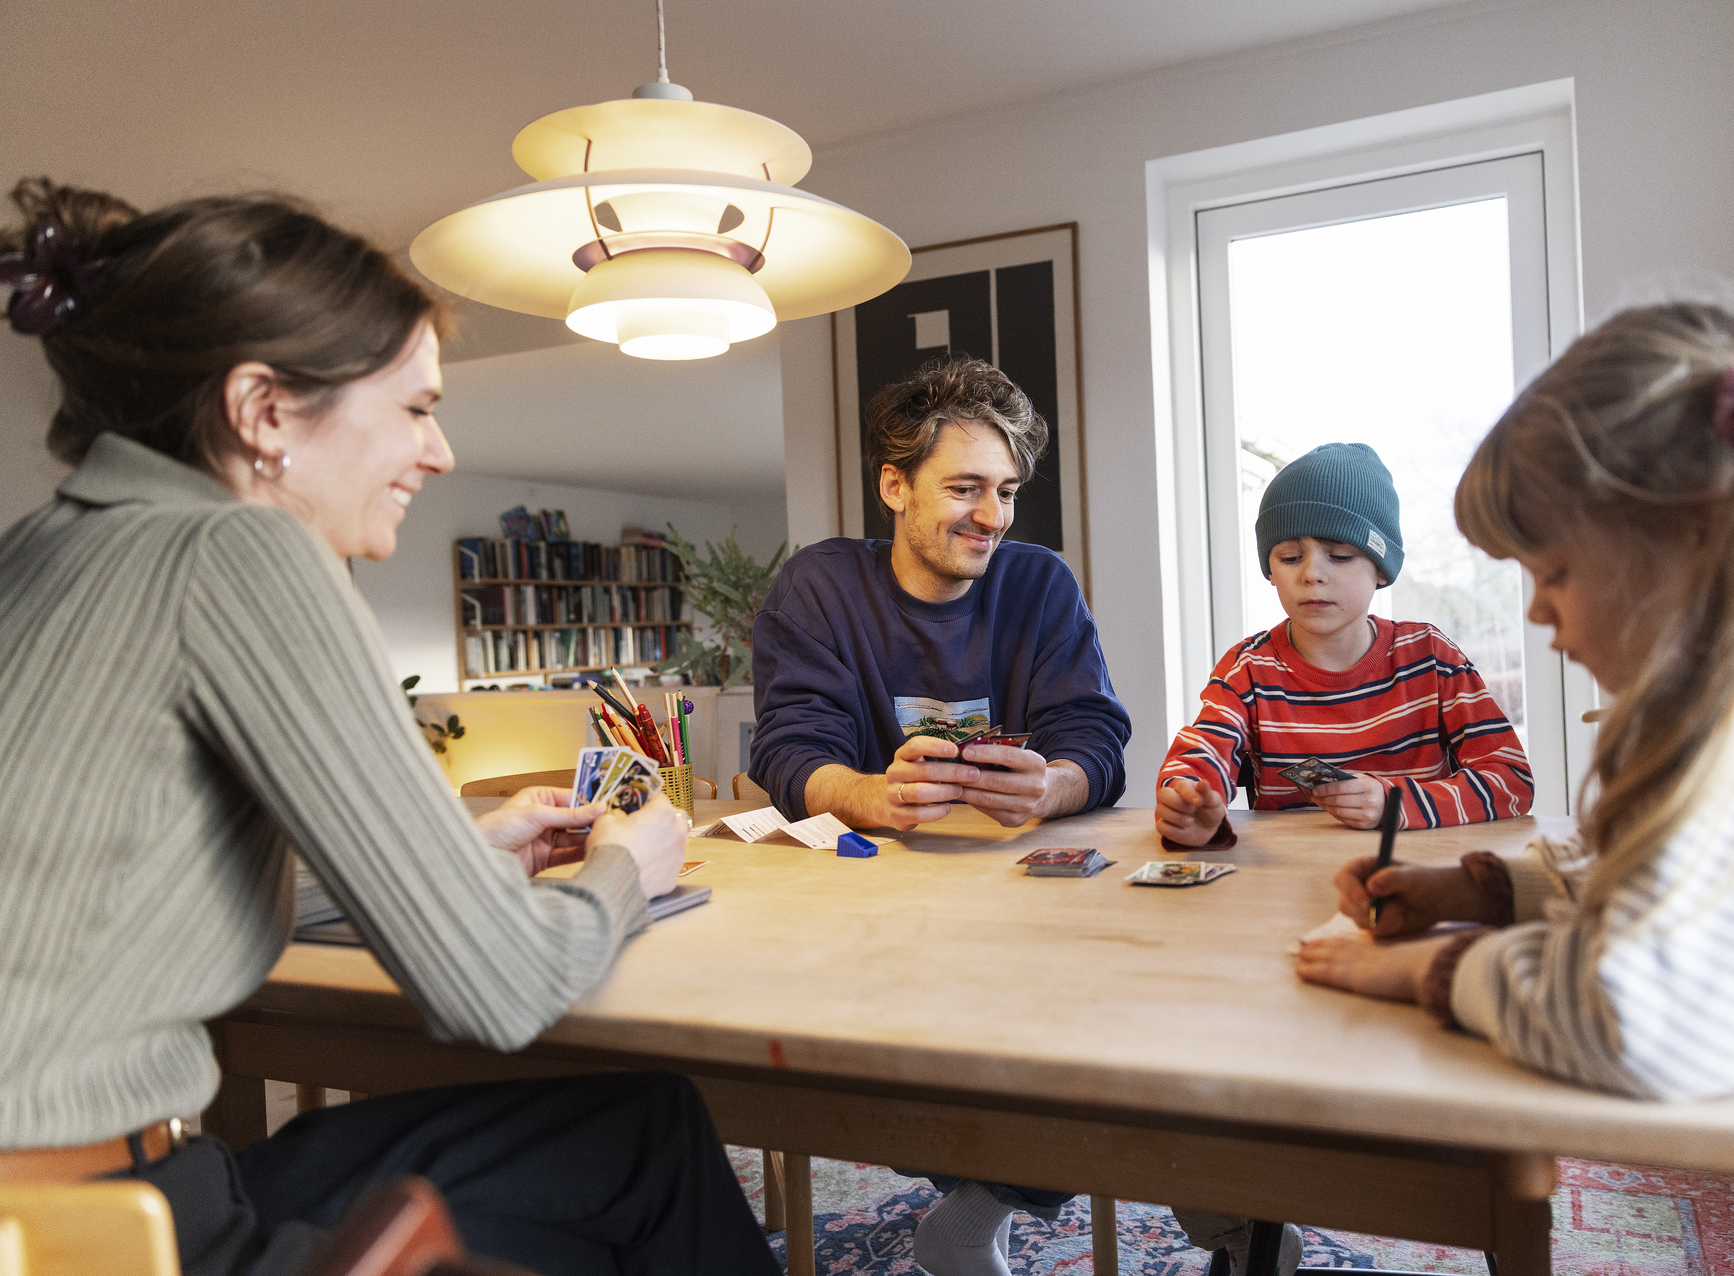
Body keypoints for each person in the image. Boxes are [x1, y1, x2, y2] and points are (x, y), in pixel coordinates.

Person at [0, 178, 779, 1276]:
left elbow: (115, 894)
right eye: (415, 407)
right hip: (96, 1232)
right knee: (639, 1148)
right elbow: (500, 987)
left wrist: (460, 855)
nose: (440, 453)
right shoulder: (239, 554)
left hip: (79, 1197)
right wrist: (625, 868)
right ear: (263, 411)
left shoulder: (39, 551)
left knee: (635, 1137)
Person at [1293, 302, 1734, 1276]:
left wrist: (1437, 975)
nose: (1537, 608)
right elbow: (1681, 861)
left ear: (1695, 536)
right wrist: (1488, 891)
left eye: (1553, 570)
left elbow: (1634, 1024)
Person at [748, 356, 1131, 1275]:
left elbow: (1096, 737)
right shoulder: (821, 586)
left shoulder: (1038, 583)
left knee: (1100, 1036)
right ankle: (979, 1186)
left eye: (1004, 491)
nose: (992, 516)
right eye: (964, 487)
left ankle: (985, 1198)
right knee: (882, 1043)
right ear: (894, 485)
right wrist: (868, 793)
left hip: (1028, 909)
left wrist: (1056, 785)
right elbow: (789, 750)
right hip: (878, 908)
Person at [1157, 442, 1532, 850]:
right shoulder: (1246, 668)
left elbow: (1511, 780)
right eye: (1289, 557)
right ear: (1270, 571)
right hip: (1288, 887)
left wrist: (1396, 804)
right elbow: (1200, 756)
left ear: (1382, 572)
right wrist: (1190, 802)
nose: (1312, 574)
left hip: (1420, 876)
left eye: (1338, 555)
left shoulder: (1430, 656)